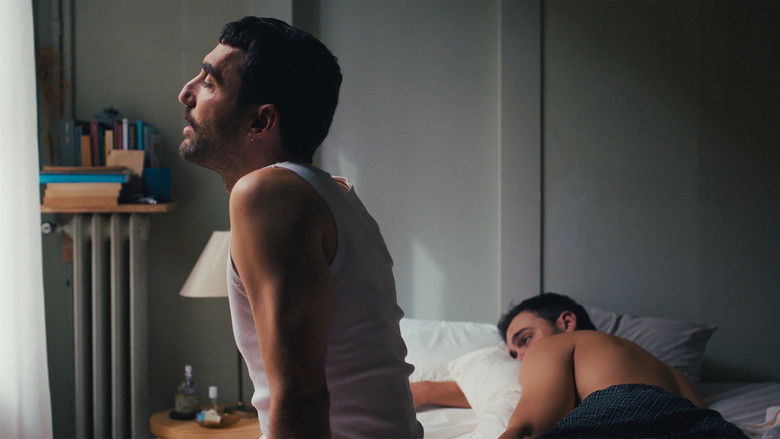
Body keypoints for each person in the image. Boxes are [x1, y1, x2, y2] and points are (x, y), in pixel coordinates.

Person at [177, 17, 422, 438]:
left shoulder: (269, 192)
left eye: (210, 82)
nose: (186, 92)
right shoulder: (333, 193)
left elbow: (301, 393)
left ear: (261, 122)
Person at [414, 293, 746, 438]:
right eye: (513, 354)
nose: (522, 357)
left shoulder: (555, 345)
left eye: (524, 339)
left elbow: (529, 428)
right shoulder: (667, 370)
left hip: (618, 418)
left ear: (566, 322)